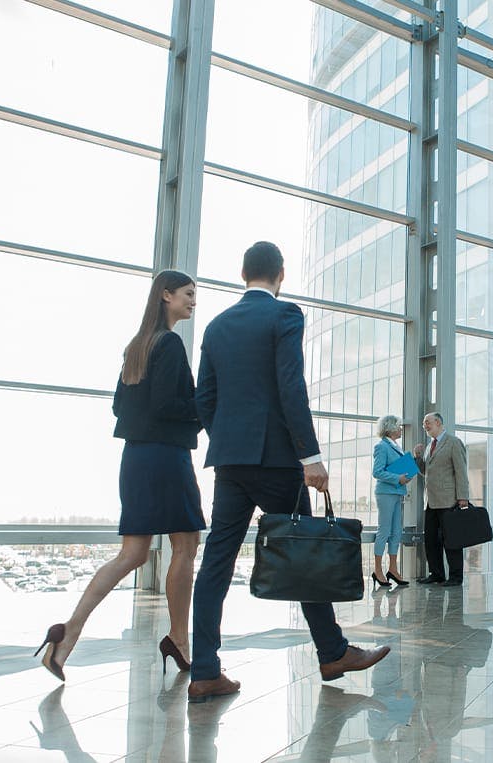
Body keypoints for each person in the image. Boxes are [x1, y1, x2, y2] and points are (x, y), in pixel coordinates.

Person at [187, 241, 389, 702]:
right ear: (280, 274)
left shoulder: (217, 326)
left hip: (231, 461)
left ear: (243, 273)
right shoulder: (285, 316)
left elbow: (205, 399)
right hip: (278, 460)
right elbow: (290, 385)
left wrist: (231, 439)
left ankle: (204, 670)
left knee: (216, 562)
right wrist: (309, 456)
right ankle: (333, 651)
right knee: (304, 551)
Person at [35, 271, 204, 681]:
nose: (193, 301)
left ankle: (67, 633)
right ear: (165, 295)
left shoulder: (137, 347)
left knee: (132, 554)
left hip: (136, 459)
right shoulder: (171, 344)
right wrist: (205, 408)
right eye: (187, 294)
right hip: (166, 458)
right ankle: (179, 640)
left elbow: (118, 408)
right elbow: (168, 404)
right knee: (185, 546)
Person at [412, 412, 470, 587]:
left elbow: (461, 471)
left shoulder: (453, 442)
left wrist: (463, 497)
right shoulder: (430, 446)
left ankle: (456, 577)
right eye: (424, 424)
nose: (425, 426)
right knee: (431, 540)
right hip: (430, 501)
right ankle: (436, 574)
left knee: (451, 539)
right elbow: (426, 473)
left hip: (449, 500)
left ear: (438, 422)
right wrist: (417, 457)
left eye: (427, 423)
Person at [371, 414, 412, 589]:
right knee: (384, 530)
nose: (401, 429)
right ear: (390, 428)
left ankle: (393, 569)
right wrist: (398, 478)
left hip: (397, 493)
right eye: (399, 426)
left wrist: (405, 476)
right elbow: (377, 472)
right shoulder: (382, 447)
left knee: (396, 531)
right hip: (386, 493)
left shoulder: (396, 447)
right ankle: (377, 570)